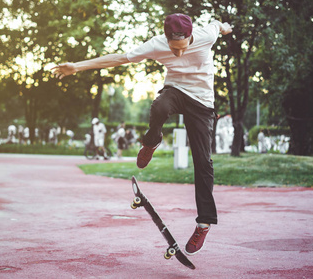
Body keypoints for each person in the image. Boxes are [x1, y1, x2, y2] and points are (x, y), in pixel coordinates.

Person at [52, 13, 232, 256]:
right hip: (176, 91)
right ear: (166, 39)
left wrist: (225, 27)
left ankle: (203, 224)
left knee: (203, 162)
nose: (177, 54)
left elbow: (217, 25)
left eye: (182, 48)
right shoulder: (156, 43)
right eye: (173, 49)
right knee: (159, 106)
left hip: (202, 103)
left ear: (191, 37)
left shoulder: (205, 35)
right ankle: (151, 141)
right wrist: (77, 66)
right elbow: (118, 59)